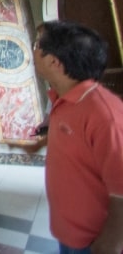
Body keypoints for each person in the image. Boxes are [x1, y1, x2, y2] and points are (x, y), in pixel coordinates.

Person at [32, 20, 123, 254]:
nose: (33, 51)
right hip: (70, 234)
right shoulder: (63, 100)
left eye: (37, 46)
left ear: (54, 62)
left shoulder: (104, 115)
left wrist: (111, 243)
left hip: (96, 242)